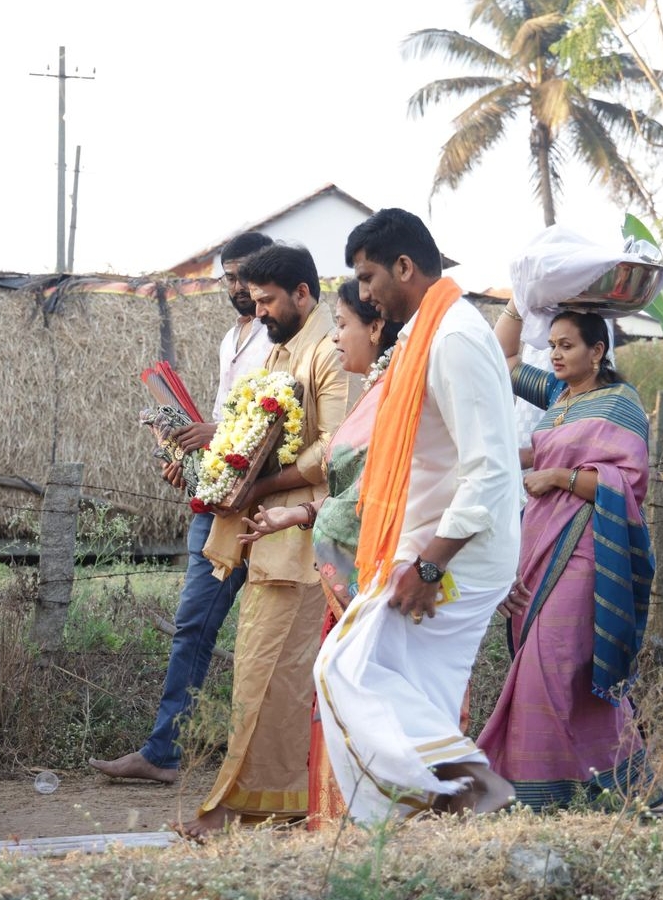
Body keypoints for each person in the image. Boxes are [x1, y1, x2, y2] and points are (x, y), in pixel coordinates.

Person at [316, 208, 522, 822]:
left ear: (405, 267)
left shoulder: (454, 335)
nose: (365, 292)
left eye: (369, 275)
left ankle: (469, 787)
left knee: (345, 668)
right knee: (407, 690)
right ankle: (435, 819)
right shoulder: (423, 334)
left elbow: (489, 468)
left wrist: (430, 567)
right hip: (424, 544)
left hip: (456, 552)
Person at [89, 231, 275, 785]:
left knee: (268, 632)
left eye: (247, 277)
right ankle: (165, 752)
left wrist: (213, 433)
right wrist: (189, 457)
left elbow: (286, 418)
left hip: (270, 502)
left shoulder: (282, 336)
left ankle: (269, 756)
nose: (238, 288)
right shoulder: (232, 339)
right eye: (230, 278)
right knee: (194, 625)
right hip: (220, 499)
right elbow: (227, 420)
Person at [176, 243, 345, 838]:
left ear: (302, 292)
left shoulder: (329, 351)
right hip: (264, 530)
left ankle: (241, 807)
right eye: (255, 300)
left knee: (274, 674)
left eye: (268, 299)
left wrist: (263, 483)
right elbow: (250, 433)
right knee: (267, 673)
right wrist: (218, 472)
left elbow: (338, 448)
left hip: (304, 537)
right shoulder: (279, 350)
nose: (259, 310)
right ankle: (275, 801)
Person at [475, 303, 655, 811]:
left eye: (567, 345)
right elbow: (504, 357)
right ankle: (596, 789)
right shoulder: (557, 395)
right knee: (556, 668)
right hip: (538, 542)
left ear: (597, 351)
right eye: (551, 345)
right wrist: (518, 298)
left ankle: (543, 793)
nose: (555, 354)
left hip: (586, 548)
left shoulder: (620, 403)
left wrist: (556, 477)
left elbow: (627, 482)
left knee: (551, 665)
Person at [237, 280, 401, 829]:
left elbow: (388, 492)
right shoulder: (378, 388)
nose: (334, 339)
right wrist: (300, 514)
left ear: (376, 327)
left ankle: (373, 834)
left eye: (343, 325)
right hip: (352, 569)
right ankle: (337, 830)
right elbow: (355, 489)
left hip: (388, 580)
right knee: (336, 695)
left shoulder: (399, 394)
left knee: (372, 704)